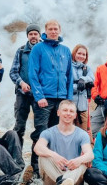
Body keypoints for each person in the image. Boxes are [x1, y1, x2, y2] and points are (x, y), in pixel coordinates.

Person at [28, 20, 73, 175]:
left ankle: (53, 167)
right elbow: (32, 74)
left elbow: (69, 75)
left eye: (56, 29)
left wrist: (68, 99)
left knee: (57, 133)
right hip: (44, 98)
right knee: (41, 132)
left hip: (61, 99)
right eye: (50, 29)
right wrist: (39, 95)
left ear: (60, 30)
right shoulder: (38, 49)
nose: (53, 31)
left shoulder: (65, 50)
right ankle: (35, 168)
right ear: (45, 31)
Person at [34, 100, 93, 185]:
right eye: (65, 110)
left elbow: (90, 154)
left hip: (74, 176)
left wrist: (78, 160)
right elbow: (37, 148)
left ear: (75, 115)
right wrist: (54, 155)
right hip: (52, 180)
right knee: (43, 156)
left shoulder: (82, 134)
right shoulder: (48, 132)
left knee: (84, 161)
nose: (68, 114)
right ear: (58, 113)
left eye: (71, 111)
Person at [10, 24, 42, 148]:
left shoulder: (44, 50)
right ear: (27, 36)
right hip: (22, 94)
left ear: (39, 35)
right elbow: (13, 72)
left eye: (35, 33)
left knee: (40, 127)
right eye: (31, 34)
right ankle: (16, 158)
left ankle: (35, 164)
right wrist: (21, 83)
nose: (33, 36)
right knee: (19, 127)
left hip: (39, 95)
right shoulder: (21, 51)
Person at [71, 44, 94, 131]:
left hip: (82, 108)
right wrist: (78, 87)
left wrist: (83, 79)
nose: (81, 56)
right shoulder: (68, 66)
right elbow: (65, 84)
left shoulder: (86, 68)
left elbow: (91, 77)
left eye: (84, 54)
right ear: (74, 53)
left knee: (82, 133)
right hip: (69, 106)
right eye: (79, 53)